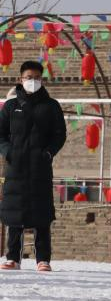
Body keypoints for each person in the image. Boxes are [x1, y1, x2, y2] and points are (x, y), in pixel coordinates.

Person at [0, 61, 67, 271]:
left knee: (42, 213)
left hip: (40, 168)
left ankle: (43, 259)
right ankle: (12, 257)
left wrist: (48, 153)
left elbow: (59, 134)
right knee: (14, 213)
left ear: (42, 79)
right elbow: (1, 134)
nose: (33, 81)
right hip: (16, 167)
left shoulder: (51, 106)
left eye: (37, 77)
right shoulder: (10, 106)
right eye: (29, 77)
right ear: (21, 79)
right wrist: (8, 152)